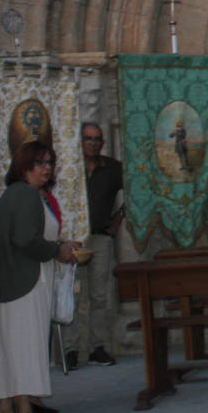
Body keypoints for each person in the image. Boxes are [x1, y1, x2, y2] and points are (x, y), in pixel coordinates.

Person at [0, 140, 77, 413]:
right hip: (25, 282)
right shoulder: (25, 194)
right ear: (24, 165)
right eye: (39, 163)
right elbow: (26, 239)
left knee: (7, 350)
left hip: (11, 282)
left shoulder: (17, 193)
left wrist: (59, 246)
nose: (46, 168)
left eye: (49, 162)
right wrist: (57, 250)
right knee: (25, 349)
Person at [67, 122, 122, 370]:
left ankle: (97, 346)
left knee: (99, 294)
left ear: (103, 143)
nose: (92, 143)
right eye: (88, 138)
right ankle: (71, 349)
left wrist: (118, 218)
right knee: (73, 294)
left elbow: (135, 191)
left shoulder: (112, 168)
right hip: (73, 237)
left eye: (97, 139)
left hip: (100, 236)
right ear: (79, 141)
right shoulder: (69, 166)